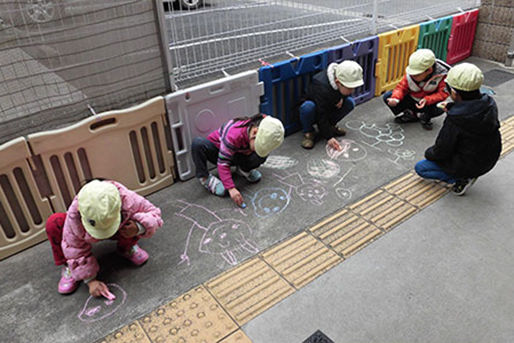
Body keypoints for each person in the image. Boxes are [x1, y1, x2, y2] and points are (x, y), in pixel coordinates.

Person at [45, 179, 163, 296]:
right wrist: (90, 280)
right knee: (54, 223)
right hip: (84, 230)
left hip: (120, 227)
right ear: (80, 213)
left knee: (135, 221)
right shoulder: (74, 216)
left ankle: (126, 247)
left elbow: (154, 213)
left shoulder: (127, 199)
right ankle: (69, 266)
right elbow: (74, 247)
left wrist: (138, 227)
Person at [414, 63, 502, 195]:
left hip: (468, 164)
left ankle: (462, 179)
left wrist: (429, 154)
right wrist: (451, 107)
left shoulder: (455, 120)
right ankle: (467, 173)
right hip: (490, 158)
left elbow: (441, 150)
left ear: (454, 92)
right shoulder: (489, 104)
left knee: (422, 168)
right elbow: (472, 111)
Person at [191, 114, 284, 207]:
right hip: (219, 152)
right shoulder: (233, 134)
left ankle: (243, 170)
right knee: (198, 144)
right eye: (257, 146)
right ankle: (205, 178)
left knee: (261, 154)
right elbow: (223, 163)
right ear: (255, 133)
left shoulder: (264, 125)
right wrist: (231, 188)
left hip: (237, 153)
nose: (256, 150)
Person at [299, 60, 364, 150]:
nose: (352, 91)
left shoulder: (342, 76)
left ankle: (330, 127)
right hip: (316, 107)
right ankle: (309, 133)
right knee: (307, 107)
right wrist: (329, 137)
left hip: (329, 103)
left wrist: (342, 98)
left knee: (349, 102)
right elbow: (320, 113)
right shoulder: (320, 86)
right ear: (338, 82)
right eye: (349, 88)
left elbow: (345, 91)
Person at [383, 49, 450, 130]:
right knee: (388, 96)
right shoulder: (411, 74)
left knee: (441, 107)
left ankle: (425, 116)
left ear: (429, 70)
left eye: (416, 74)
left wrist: (427, 100)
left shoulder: (442, 76)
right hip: (413, 99)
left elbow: (443, 93)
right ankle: (411, 114)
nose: (412, 75)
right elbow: (401, 87)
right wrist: (395, 98)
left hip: (428, 103)